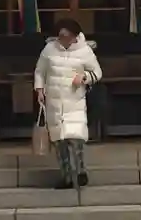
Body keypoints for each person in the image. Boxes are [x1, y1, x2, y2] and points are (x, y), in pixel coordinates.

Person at [34, 17, 102, 191]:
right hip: (54, 103)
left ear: (75, 35)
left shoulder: (85, 50)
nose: (64, 39)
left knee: (76, 139)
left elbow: (97, 72)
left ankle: (80, 172)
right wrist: (40, 89)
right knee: (60, 143)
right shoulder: (49, 49)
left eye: (67, 36)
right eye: (61, 36)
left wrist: (84, 77)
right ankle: (66, 177)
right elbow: (40, 71)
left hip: (75, 102)